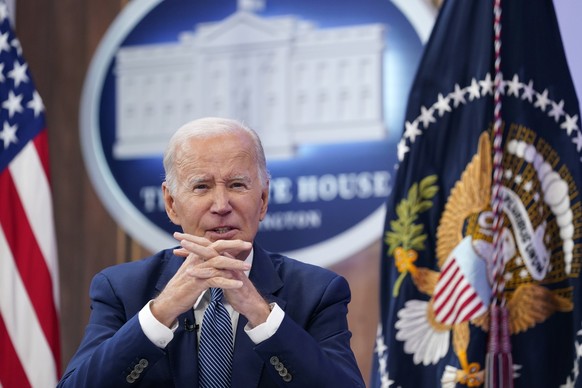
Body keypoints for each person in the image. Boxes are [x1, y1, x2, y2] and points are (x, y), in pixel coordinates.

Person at [58, 117, 365, 387]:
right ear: (171, 203)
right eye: (202, 187)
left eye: (236, 185)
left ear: (263, 199)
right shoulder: (121, 290)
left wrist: (260, 314)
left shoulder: (317, 293)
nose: (221, 206)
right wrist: (162, 311)